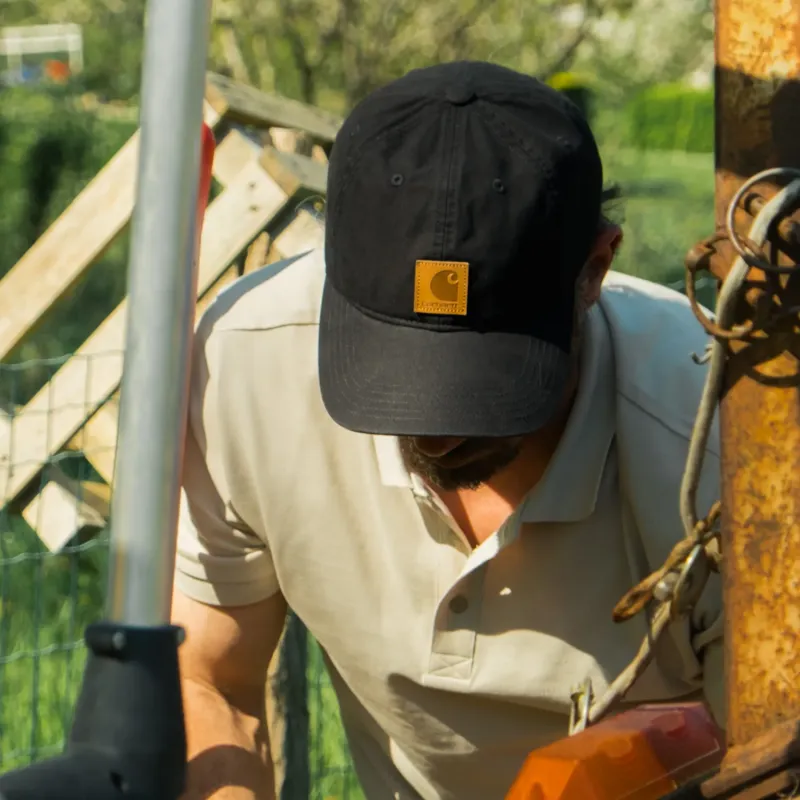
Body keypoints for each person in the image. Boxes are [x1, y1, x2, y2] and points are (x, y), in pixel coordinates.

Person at [172, 61, 724, 800]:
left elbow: (774, 748)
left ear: (595, 268)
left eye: (486, 378)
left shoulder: (727, 449)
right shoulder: (246, 368)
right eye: (390, 364)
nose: (433, 436)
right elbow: (210, 681)